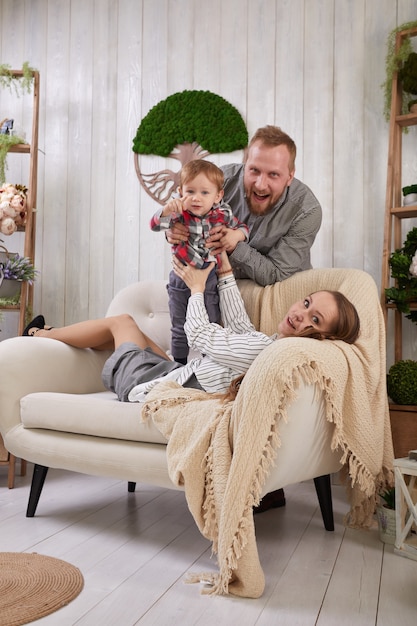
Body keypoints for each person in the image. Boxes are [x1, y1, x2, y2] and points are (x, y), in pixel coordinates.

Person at [24, 253, 360, 408]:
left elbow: (200, 335)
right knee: (133, 336)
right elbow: (241, 328)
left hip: (144, 387)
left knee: (122, 322)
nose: (301, 315)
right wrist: (226, 273)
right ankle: (60, 334)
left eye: (315, 320)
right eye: (305, 304)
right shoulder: (271, 346)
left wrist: (197, 288)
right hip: (177, 374)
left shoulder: (266, 352)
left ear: (323, 337)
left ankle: (40, 335)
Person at [168, 125, 322, 286]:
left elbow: (277, 273)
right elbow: (182, 210)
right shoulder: (221, 181)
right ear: (244, 164)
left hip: (279, 294)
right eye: (254, 170)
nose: (261, 185)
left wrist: (235, 246)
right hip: (217, 288)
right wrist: (175, 229)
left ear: (290, 177)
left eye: (273, 174)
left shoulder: (306, 211)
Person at [150, 159, 248, 364]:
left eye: (205, 192)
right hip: (181, 278)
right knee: (179, 327)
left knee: (211, 323)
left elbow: (243, 229)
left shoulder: (223, 214)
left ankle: (208, 364)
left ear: (218, 195)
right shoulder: (178, 212)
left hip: (209, 279)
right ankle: (178, 365)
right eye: (190, 191)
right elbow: (155, 224)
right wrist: (167, 210)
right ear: (180, 191)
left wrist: (236, 235)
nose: (196, 198)